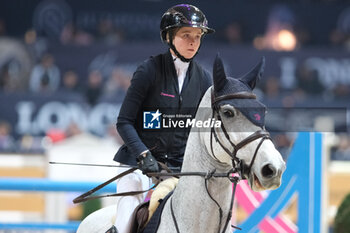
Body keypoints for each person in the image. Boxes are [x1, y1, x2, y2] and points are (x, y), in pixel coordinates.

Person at [107, 4, 215, 233]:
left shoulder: (204, 79)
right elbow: (124, 121)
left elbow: (204, 129)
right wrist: (143, 154)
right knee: (130, 199)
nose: (193, 42)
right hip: (138, 165)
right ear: (169, 36)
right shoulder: (149, 70)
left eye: (197, 36)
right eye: (186, 35)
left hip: (179, 169)